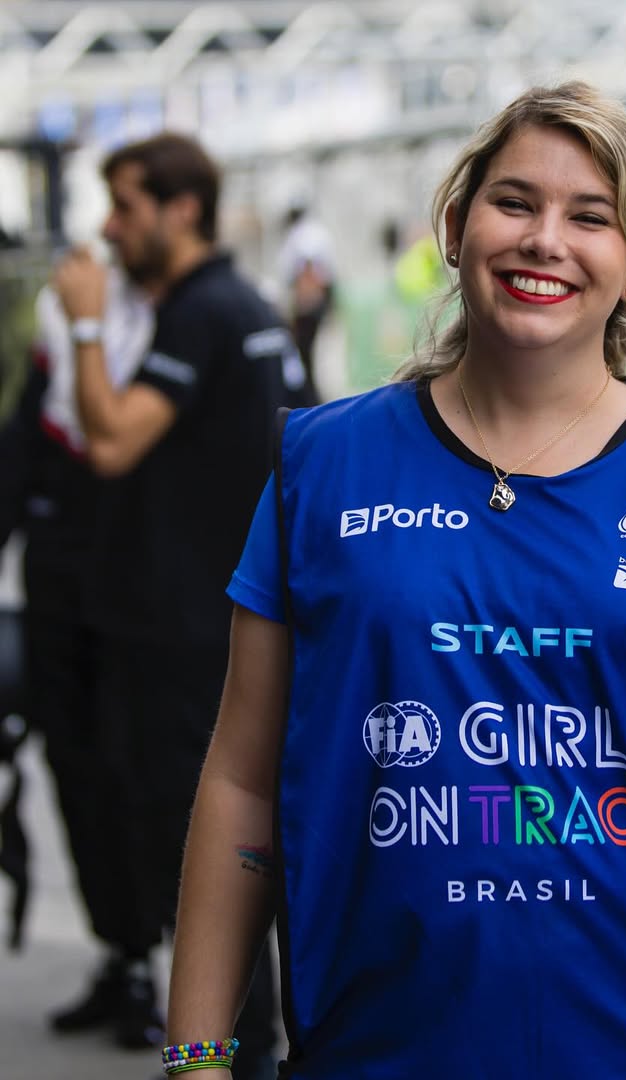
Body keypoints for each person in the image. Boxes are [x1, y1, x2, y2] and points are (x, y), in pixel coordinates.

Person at [166, 82, 626, 1079]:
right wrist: (197, 1057)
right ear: (456, 228)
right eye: (514, 203)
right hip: (381, 1052)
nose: (546, 240)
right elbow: (242, 780)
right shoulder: (321, 468)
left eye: (591, 217)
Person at [50, 132, 311, 1077]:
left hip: (189, 636)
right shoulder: (248, 309)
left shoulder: (203, 312)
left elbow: (113, 441)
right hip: (223, 625)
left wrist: (85, 326)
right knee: (229, 847)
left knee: (205, 851)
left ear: (181, 210)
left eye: (125, 208)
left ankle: (230, 1054)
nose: (111, 231)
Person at [3, 271, 161, 1041]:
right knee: (77, 780)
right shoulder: (57, 351)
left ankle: (191, 1001)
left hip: (138, 619)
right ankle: (123, 957)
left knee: (139, 785)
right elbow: (15, 462)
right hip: (58, 609)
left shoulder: (173, 330)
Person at [277, 201, 336, 399]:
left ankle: (310, 397)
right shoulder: (315, 232)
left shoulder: (304, 235)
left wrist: (304, 301)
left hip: (310, 300)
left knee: (305, 352)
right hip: (318, 297)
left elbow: (308, 267)